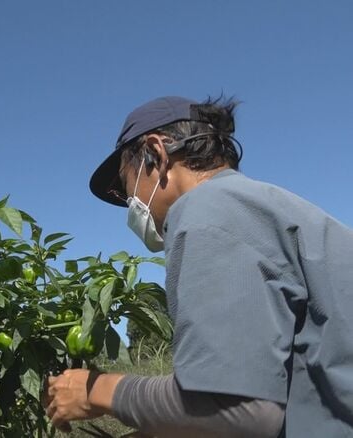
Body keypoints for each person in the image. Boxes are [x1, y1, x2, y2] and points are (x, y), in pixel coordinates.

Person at [42, 96, 353, 437]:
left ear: (156, 154)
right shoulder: (269, 208)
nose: (128, 202)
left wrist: (97, 391)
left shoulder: (206, 211)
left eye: (124, 187)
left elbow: (233, 411)